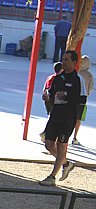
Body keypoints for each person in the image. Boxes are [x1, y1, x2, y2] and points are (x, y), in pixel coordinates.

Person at [39, 50, 86, 186]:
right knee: (48, 144)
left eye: (66, 59)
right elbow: (52, 93)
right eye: (63, 59)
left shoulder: (78, 79)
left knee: (61, 146)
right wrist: (48, 97)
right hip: (55, 115)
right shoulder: (58, 78)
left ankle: (52, 177)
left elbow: (82, 98)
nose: (63, 62)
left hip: (68, 118)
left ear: (74, 62)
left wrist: (66, 97)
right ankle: (66, 163)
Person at [71, 55, 93, 145]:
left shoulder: (76, 72)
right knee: (78, 118)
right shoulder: (89, 75)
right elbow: (90, 88)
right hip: (83, 99)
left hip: (73, 97)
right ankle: (75, 137)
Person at [39, 61, 63, 142]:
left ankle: (47, 134)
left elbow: (45, 88)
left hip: (47, 99)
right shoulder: (59, 79)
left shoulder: (50, 77)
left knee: (51, 116)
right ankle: (46, 134)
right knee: (53, 118)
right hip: (53, 100)